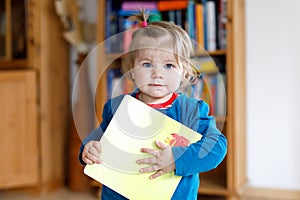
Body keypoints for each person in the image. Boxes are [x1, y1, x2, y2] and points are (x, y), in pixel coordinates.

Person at [79, 10, 227, 200]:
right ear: (131, 70)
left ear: (185, 73)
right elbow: (98, 139)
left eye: (169, 66)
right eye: (147, 64)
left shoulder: (191, 110)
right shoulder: (117, 107)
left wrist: (177, 158)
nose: (157, 73)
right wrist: (88, 148)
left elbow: (217, 146)